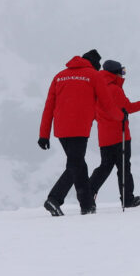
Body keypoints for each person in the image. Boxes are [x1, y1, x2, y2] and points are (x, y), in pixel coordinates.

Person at [38, 49, 122, 216]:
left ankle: (87, 205)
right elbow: (107, 104)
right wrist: (121, 116)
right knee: (76, 165)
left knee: (76, 164)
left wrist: (44, 134)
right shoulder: (94, 75)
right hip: (79, 128)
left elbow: (49, 106)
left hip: (61, 130)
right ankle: (56, 199)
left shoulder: (59, 76)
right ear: (95, 64)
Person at [88, 60, 140, 208]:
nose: (123, 75)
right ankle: (127, 199)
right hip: (120, 135)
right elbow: (128, 108)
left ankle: (88, 191)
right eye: (122, 72)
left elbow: (94, 113)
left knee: (105, 167)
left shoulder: (96, 88)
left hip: (104, 137)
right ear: (115, 73)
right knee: (124, 168)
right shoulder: (115, 90)